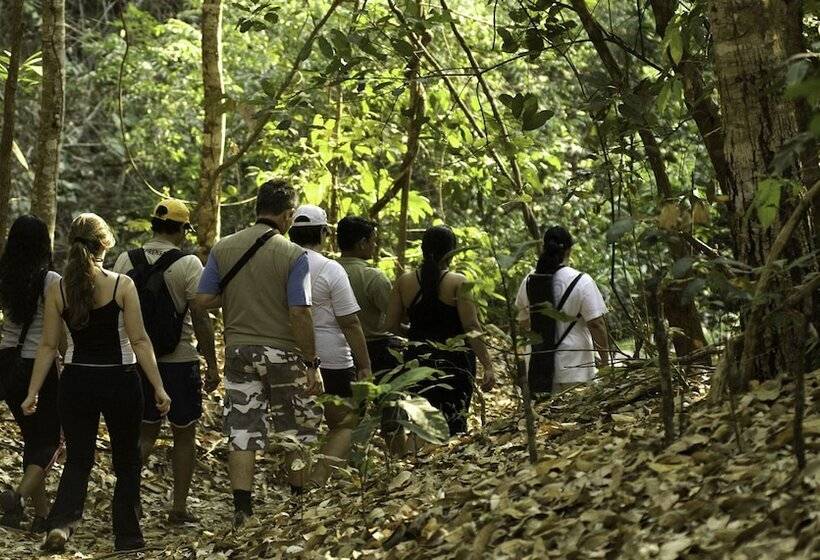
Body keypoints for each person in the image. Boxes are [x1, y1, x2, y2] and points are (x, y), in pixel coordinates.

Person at [21, 213, 171, 553]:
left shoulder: (58, 289)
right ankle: (128, 537)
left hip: (76, 381)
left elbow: (47, 345)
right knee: (127, 460)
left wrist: (33, 392)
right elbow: (140, 341)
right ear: (104, 245)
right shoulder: (121, 285)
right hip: (120, 380)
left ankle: (60, 526)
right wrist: (159, 387)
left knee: (78, 459)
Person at [193, 179, 323, 528]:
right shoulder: (295, 255)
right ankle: (297, 506)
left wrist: (234, 299)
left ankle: (243, 509)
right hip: (283, 353)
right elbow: (300, 312)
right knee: (295, 428)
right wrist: (312, 363)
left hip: (239, 351)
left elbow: (203, 300)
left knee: (243, 430)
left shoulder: (224, 248)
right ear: (287, 215)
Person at [112, 199, 219, 524]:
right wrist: (212, 363)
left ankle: (128, 500)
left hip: (136, 359)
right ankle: (178, 508)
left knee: (144, 433)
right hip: (179, 360)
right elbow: (201, 318)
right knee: (184, 434)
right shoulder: (189, 264)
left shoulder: (124, 260)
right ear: (183, 230)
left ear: (154, 226)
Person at [386, 225, 496, 440]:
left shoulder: (405, 282)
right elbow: (471, 326)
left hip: (418, 359)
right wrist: (488, 365)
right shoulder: (458, 282)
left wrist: (417, 336)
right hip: (455, 360)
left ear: (423, 249)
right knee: (453, 421)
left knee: (422, 419)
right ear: (451, 251)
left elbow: (391, 326)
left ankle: (420, 467)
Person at [288, 205, 371, 482]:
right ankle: (317, 481)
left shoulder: (280, 262)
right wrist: (365, 365)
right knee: (345, 423)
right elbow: (350, 322)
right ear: (324, 233)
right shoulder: (329, 268)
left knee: (297, 428)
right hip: (331, 358)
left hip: (291, 355)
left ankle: (298, 490)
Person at [0, 216, 62, 532]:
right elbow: (56, 333)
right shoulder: (50, 280)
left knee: (32, 438)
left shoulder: (5, 276)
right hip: (37, 364)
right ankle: (17, 496)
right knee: (51, 442)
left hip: (7, 363)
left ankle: (40, 515)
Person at [514, 226, 609, 395]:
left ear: (543, 248)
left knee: (544, 420)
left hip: (539, 367)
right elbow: (596, 324)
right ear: (569, 250)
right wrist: (605, 362)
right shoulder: (582, 281)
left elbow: (523, 323)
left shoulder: (529, 281)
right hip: (575, 366)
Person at [336, 216, 400, 377]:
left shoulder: (325, 270)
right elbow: (395, 317)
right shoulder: (373, 277)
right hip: (375, 350)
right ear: (362, 243)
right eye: (373, 240)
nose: (375, 245)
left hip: (336, 346)